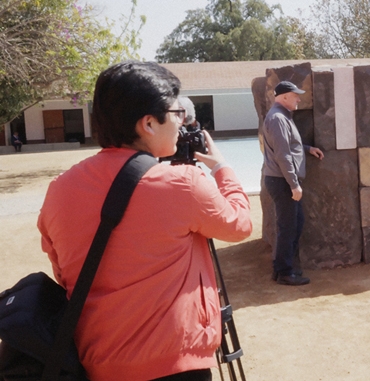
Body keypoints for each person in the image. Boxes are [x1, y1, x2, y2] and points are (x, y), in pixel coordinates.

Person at [38, 61, 253, 381]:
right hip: (175, 365)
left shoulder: (59, 190)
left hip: (98, 365)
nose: (181, 124)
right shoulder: (183, 183)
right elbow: (239, 224)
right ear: (149, 123)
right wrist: (222, 168)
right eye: (176, 113)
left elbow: (63, 271)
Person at [262, 81, 324, 286]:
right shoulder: (279, 118)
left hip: (282, 180)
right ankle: (284, 272)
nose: (299, 99)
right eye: (295, 95)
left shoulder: (279, 116)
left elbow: (286, 145)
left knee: (293, 225)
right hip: (283, 182)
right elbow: (283, 155)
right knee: (288, 227)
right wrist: (294, 185)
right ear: (284, 97)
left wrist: (306, 149)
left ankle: (281, 270)